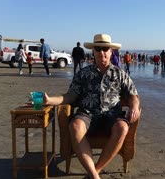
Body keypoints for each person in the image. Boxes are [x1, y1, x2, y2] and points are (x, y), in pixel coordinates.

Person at [43, 34, 140, 179]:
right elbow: (70, 95)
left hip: (111, 114)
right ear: (93, 52)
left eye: (105, 49)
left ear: (111, 51)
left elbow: (133, 95)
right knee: (74, 126)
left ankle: (95, 172)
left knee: (122, 128)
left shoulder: (120, 74)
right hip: (87, 114)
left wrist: (134, 106)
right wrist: (51, 100)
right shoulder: (83, 74)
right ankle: (95, 176)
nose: (102, 52)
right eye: (98, 49)